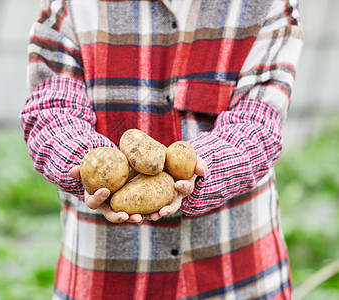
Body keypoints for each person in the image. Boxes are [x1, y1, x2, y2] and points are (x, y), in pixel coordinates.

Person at [20, 0, 303, 299]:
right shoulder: (72, 6)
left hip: (239, 276)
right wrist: (90, 165)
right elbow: (52, 111)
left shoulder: (266, 5)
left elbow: (257, 126)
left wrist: (197, 172)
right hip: (104, 277)